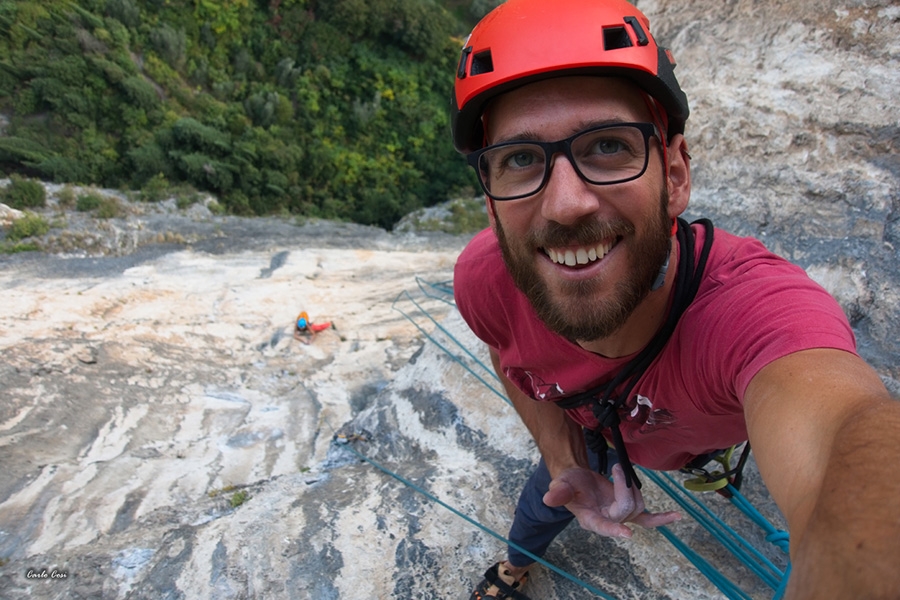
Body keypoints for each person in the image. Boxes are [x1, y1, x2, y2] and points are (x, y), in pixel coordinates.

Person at [449, 0, 900, 598]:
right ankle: (514, 568)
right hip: (591, 432)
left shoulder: (750, 313)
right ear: (492, 206)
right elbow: (508, 353)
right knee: (539, 511)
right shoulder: (485, 280)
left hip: (687, 435)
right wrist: (562, 461)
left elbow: (842, 427)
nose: (565, 204)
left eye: (607, 146)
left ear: (676, 176)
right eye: (521, 160)